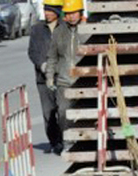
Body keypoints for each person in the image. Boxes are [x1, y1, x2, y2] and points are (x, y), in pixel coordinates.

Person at [46, 0, 84, 149]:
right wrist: (50, 77)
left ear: (81, 13)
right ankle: (68, 141)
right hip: (64, 82)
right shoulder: (58, 32)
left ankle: (85, 141)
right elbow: (52, 57)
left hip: (84, 82)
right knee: (63, 112)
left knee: (85, 114)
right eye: (68, 14)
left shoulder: (89, 31)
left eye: (74, 13)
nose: (72, 16)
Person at [27, 0, 64, 155]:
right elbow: (32, 51)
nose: (47, 13)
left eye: (50, 10)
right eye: (45, 10)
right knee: (48, 112)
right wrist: (41, 64)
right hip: (43, 79)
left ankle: (64, 139)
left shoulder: (65, 28)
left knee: (63, 110)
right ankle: (54, 141)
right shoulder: (37, 29)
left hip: (62, 77)